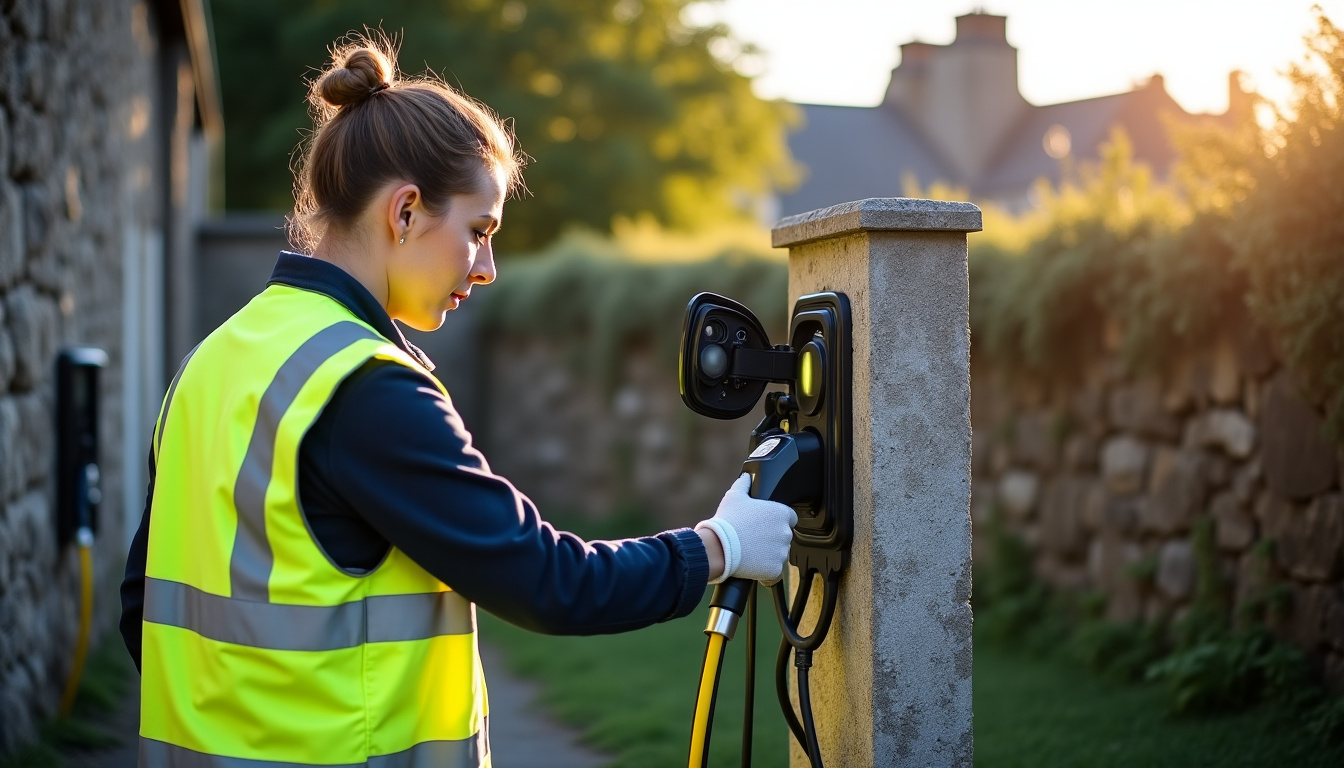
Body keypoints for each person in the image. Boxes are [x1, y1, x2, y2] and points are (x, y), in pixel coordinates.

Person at [118, 36, 797, 767]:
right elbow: (548, 581)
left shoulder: (212, 360)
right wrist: (720, 546)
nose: (488, 268)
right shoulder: (366, 387)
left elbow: (143, 607)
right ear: (405, 211)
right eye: (478, 232)